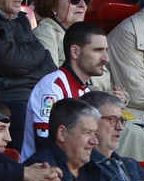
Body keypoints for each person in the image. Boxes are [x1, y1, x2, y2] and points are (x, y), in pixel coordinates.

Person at [22, 22, 116, 159]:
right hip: (46, 172)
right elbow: (43, 142)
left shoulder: (86, 92)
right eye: (98, 50)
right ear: (75, 51)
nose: (106, 58)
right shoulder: (52, 86)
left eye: (106, 50)